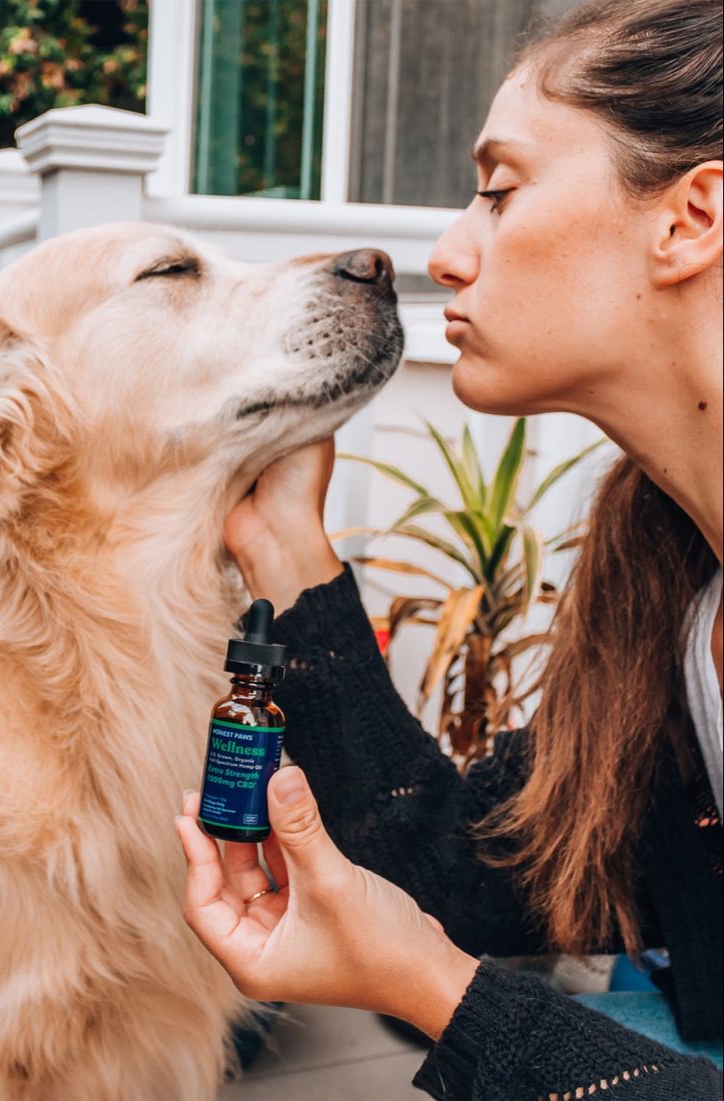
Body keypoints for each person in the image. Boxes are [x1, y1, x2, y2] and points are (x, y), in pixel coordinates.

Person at [175, 0, 723, 1095]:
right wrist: (285, 540)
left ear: (689, 220)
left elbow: (442, 945)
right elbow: (460, 870)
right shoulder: (664, 579)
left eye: (498, 190)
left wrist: (435, 987)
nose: (446, 252)